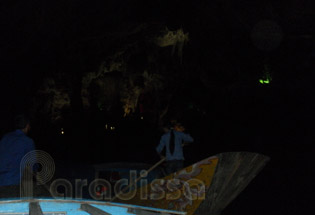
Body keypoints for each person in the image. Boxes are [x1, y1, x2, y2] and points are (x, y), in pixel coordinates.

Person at [0, 114, 36, 198]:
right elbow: (32, 164)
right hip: (14, 182)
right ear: (27, 126)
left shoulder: (5, 138)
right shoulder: (27, 141)